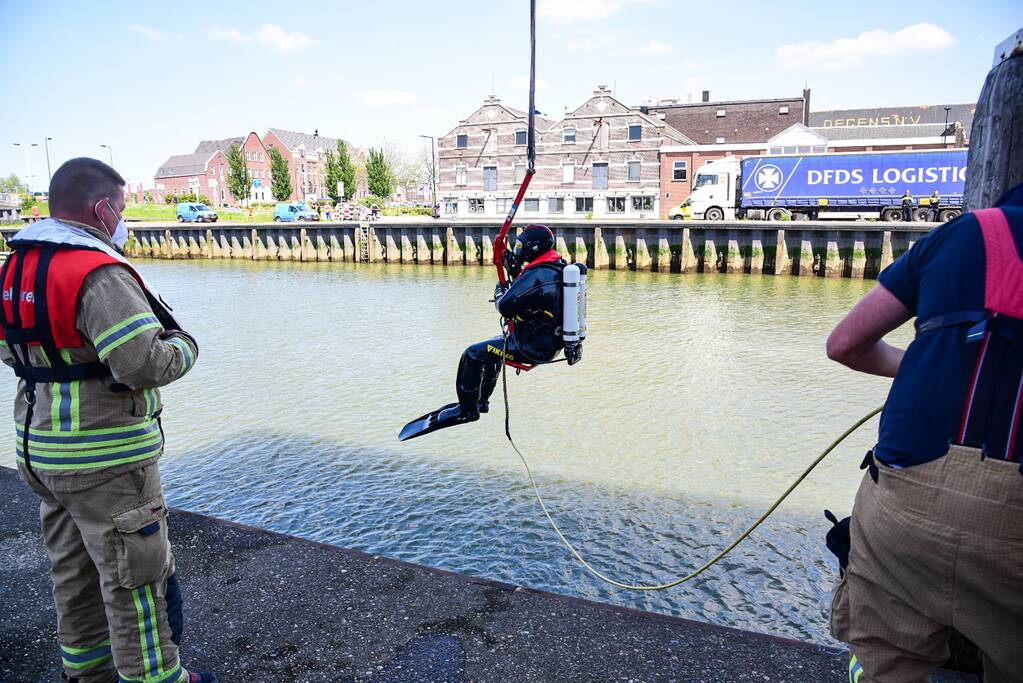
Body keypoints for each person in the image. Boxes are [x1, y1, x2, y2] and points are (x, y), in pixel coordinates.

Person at [0, 158, 215, 683]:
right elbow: (141, 363)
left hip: (42, 451)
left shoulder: (17, 266)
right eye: (119, 209)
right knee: (135, 579)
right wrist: (186, 348)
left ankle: (87, 674)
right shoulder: (97, 272)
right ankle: (157, 680)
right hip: (106, 459)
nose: (122, 219)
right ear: (101, 208)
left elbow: (12, 353)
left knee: (73, 574)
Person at [826, 180, 1023, 682]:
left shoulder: (969, 234)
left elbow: (845, 344)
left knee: (884, 661)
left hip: (904, 498)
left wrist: (931, 365)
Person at [400, 225, 569, 440]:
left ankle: (467, 410)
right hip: (545, 342)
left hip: (532, 347)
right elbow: (531, 294)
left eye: (521, 247)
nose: (518, 251)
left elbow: (505, 306)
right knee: (492, 349)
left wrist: (500, 291)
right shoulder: (553, 267)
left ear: (533, 248)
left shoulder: (538, 274)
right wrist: (513, 269)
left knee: (472, 354)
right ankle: (481, 401)